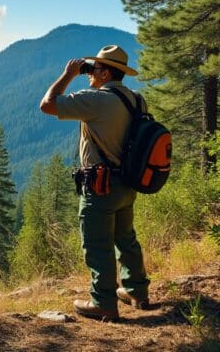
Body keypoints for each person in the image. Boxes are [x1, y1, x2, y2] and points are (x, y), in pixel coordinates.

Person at [39, 44, 150, 322]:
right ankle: (137, 291)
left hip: (100, 185)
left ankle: (103, 303)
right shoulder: (136, 99)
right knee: (126, 239)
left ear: (105, 72)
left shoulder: (97, 99)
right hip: (128, 183)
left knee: (97, 243)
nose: (91, 71)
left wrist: (68, 74)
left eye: (95, 67)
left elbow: (48, 105)